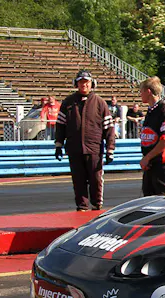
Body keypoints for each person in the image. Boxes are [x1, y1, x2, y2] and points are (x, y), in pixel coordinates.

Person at [55, 70, 115, 211]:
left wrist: (110, 149)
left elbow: (109, 128)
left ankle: (97, 204)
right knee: (78, 180)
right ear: (76, 84)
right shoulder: (68, 102)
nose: (84, 85)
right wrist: (58, 145)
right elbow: (60, 125)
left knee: (96, 179)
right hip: (74, 149)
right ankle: (82, 206)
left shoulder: (100, 103)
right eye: (81, 82)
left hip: (94, 148)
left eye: (86, 82)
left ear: (92, 84)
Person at [138, 76, 165, 196]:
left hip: (163, 166)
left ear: (148, 91)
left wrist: (147, 157)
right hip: (150, 166)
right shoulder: (151, 110)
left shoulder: (164, 111)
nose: (140, 94)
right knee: (147, 201)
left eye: (141, 91)